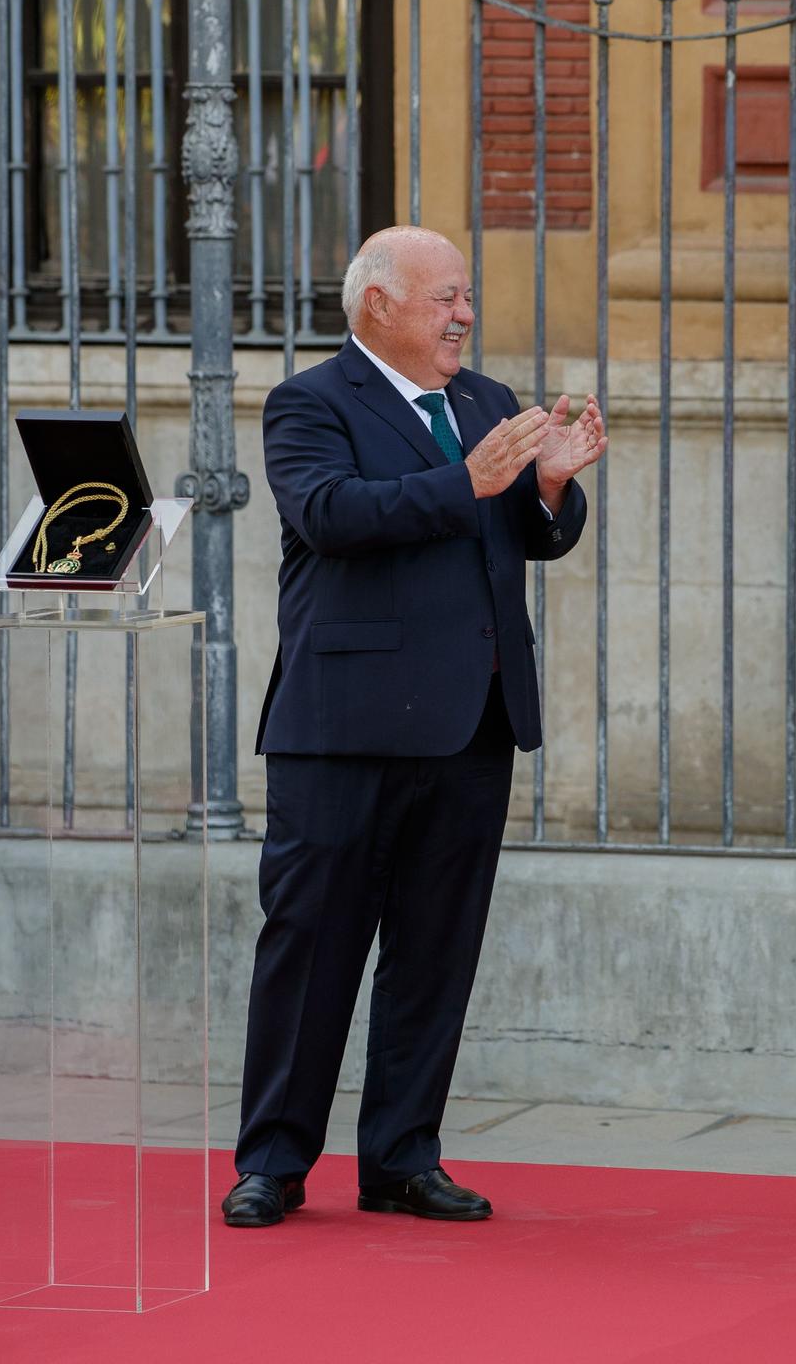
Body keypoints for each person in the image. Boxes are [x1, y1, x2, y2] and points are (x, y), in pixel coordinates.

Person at [222, 226, 606, 1228]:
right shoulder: (308, 403)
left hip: (471, 722)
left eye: (464, 297)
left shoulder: (483, 403)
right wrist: (466, 481)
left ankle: (400, 1154)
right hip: (343, 727)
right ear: (377, 305)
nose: (463, 315)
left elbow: (526, 531)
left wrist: (554, 483)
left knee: (435, 951)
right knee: (312, 947)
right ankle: (271, 1158)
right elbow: (328, 513)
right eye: (443, 298)